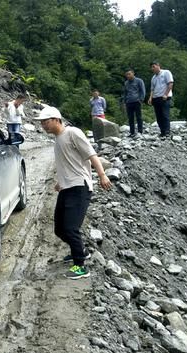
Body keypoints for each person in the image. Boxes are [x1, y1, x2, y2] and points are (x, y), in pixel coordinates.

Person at [36, 106, 111, 280]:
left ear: (56, 119)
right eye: (41, 123)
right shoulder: (58, 139)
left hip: (79, 187)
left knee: (70, 228)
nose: (43, 126)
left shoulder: (73, 133)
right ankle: (81, 251)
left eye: (46, 122)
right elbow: (68, 163)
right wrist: (60, 182)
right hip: (67, 187)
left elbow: (91, 155)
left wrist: (102, 175)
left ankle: (81, 266)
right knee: (59, 229)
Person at [148, 61, 174, 137]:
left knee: (165, 115)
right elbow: (152, 89)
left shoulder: (166, 72)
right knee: (158, 116)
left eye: (154, 66)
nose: (152, 68)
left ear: (158, 65)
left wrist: (166, 94)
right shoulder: (153, 77)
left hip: (164, 97)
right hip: (156, 98)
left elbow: (170, 83)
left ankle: (167, 132)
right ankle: (162, 132)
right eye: (151, 67)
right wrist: (150, 98)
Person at [123, 69, 146, 137]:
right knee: (130, 118)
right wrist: (124, 101)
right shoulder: (126, 83)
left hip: (137, 101)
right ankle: (132, 132)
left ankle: (140, 131)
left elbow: (143, 90)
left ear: (133, 73)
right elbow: (125, 93)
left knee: (139, 117)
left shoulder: (139, 81)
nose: (128, 76)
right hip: (128, 102)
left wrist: (141, 99)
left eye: (129, 74)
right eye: (127, 74)